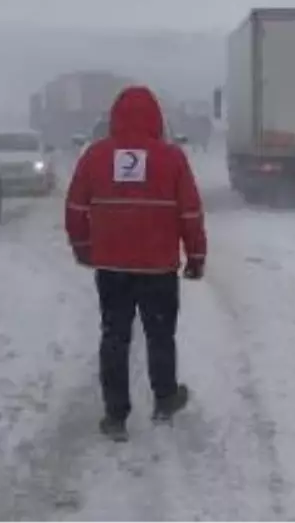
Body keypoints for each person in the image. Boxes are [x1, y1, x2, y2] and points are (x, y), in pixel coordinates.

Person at [64, 86, 207, 442]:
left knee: (114, 337)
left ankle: (115, 416)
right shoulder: (171, 158)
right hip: (158, 268)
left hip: (112, 267)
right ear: (156, 119)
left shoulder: (95, 156)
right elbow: (190, 212)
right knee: (160, 335)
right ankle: (164, 398)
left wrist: (84, 249)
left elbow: (75, 210)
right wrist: (196, 256)